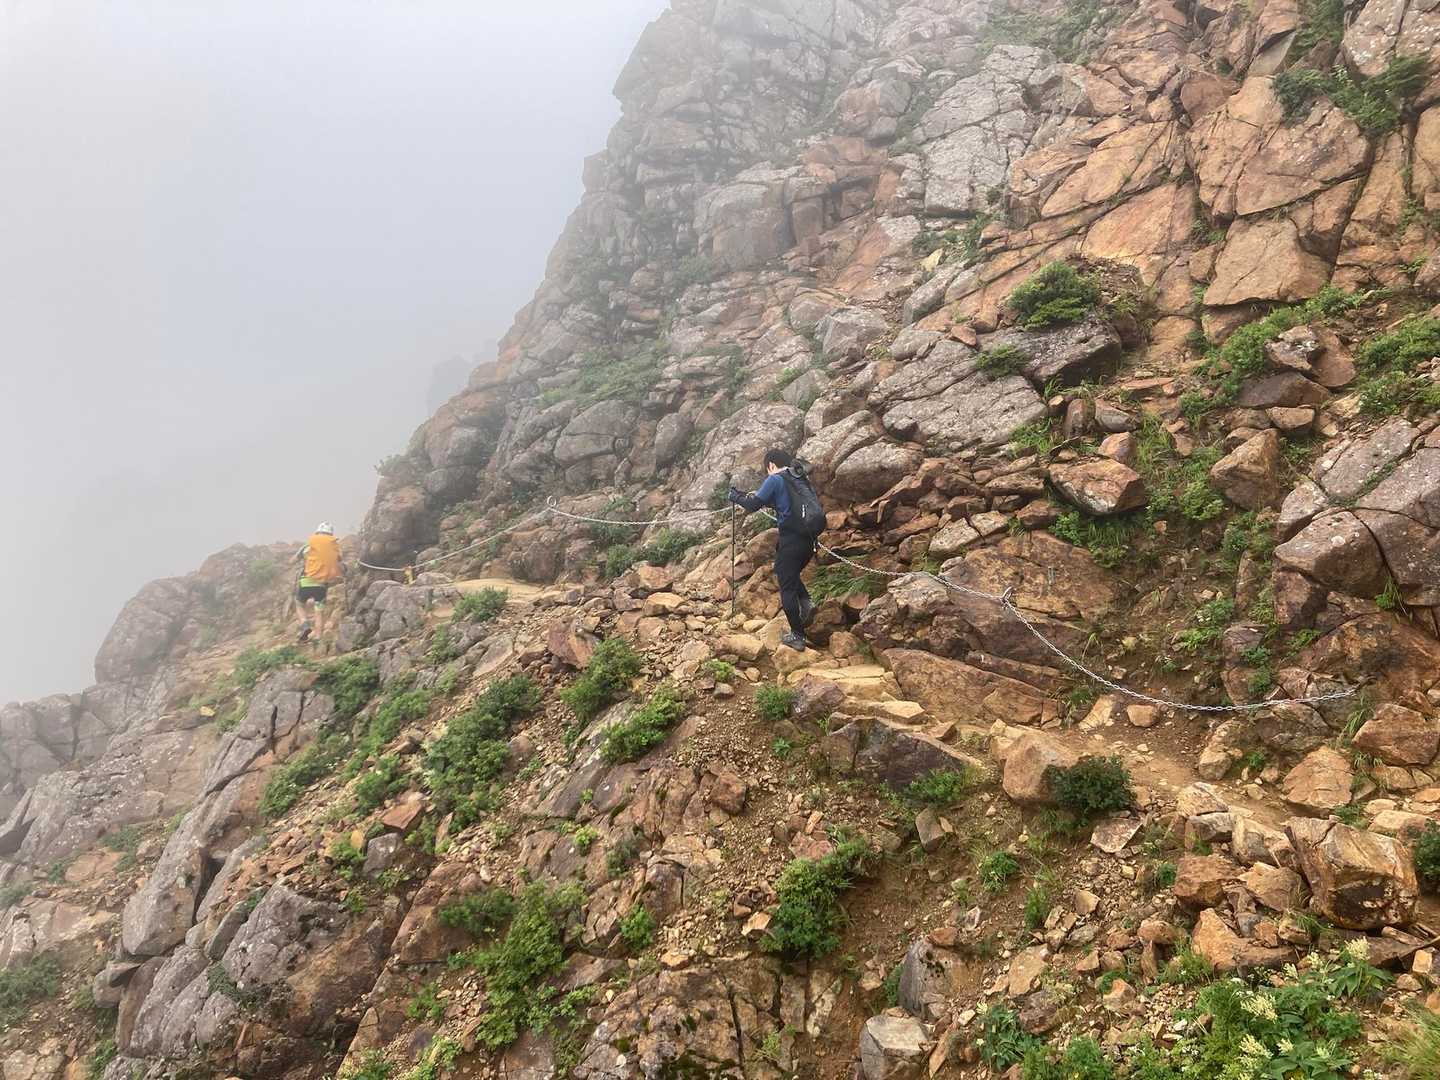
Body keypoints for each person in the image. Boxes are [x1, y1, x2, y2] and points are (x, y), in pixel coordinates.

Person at [728, 449, 817, 651]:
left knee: (786, 584)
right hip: (809, 540)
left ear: (771, 465)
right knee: (788, 572)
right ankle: (806, 603)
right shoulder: (799, 478)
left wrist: (735, 497)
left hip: (791, 539)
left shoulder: (775, 479)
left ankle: (797, 635)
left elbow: (753, 505)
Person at [294, 522, 343, 642]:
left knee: (299, 604)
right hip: (322, 585)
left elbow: (292, 560)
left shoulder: (308, 546)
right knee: (319, 612)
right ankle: (318, 638)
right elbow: (339, 559)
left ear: (317, 532)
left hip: (306, 581)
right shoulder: (335, 547)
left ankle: (305, 625)